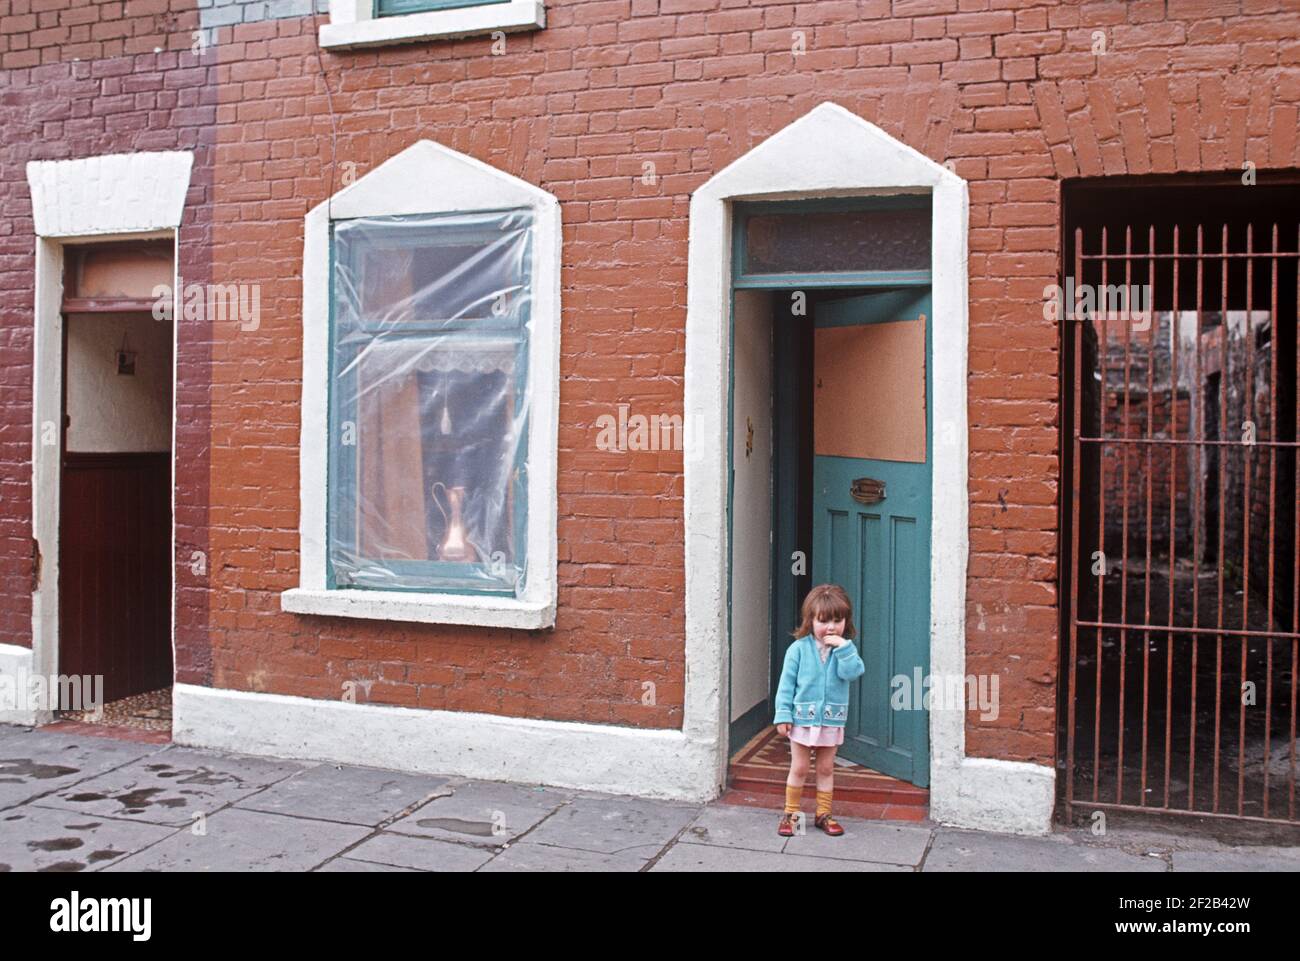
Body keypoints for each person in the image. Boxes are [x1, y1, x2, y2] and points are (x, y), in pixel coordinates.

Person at [772, 583, 865, 837]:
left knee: (825, 768)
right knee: (800, 767)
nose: (831, 627)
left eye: (838, 620)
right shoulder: (798, 650)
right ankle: (791, 815)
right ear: (810, 621)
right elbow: (786, 685)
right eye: (823, 621)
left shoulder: (846, 650)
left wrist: (844, 648)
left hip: (831, 720)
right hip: (802, 719)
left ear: (846, 621)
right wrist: (783, 715)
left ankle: (823, 814)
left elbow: (853, 672)